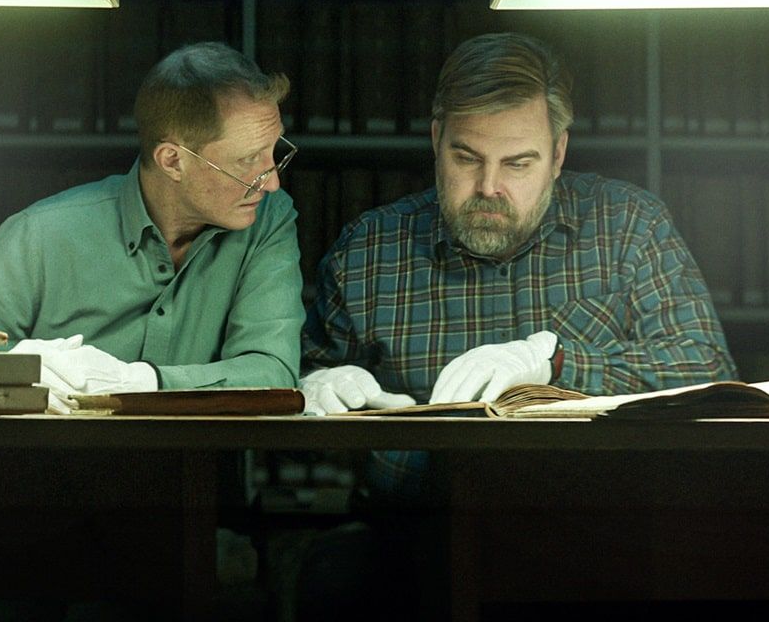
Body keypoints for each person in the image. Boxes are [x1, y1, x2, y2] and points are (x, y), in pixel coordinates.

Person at [301, 31, 737, 495]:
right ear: (436, 139)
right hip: (417, 521)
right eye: (466, 158)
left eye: (517, 164)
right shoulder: (368, 250)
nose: (489, 187)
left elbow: (710, 374)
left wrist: (555, 362)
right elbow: (298, 402)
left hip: (600, 516)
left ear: (557, 155)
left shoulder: (630, 225)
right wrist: (312, 388)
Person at [0, 41, 305, 411]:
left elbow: (274, 373)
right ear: (172, 161)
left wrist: (140, 382)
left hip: (199, 450)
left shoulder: (269, 219)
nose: (272, 182)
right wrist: (21, 369)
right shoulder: (38, 234)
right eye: (248, 160)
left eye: (274, 151)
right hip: (55, 447)